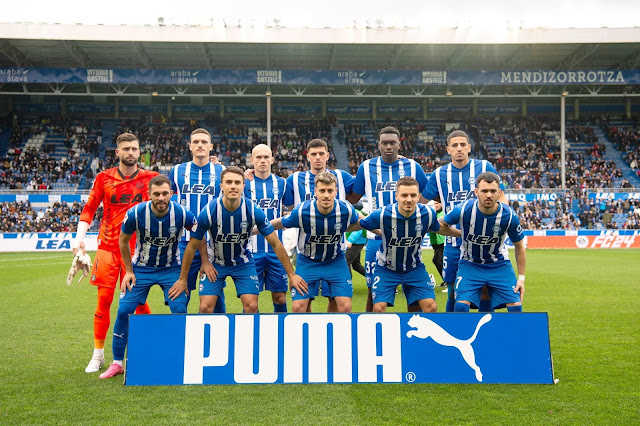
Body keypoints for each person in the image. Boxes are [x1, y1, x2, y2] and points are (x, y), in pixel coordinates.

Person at [72, 132, 157, 374]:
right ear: (117, 152)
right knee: (104, 302)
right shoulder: (103, 178)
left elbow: (175, 193)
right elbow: (89, 208)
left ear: (140, 152)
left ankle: (147, 349)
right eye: (126, 149)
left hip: (139, 251)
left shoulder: (151, 179)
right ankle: (98, 355)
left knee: (139, 303)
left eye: (134, 148)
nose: (130, 152)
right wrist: (79, 240)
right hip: (108, 248)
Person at [99, 175, 196, 379]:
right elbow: (123, 241)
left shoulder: (182, 213)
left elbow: (199, 238)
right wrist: (129, 271)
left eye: (164, 193)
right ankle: (117, 362)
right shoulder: (136, 213)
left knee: (179, 309)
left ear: (171, 194)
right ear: (149, 194)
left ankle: (180, 357)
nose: (161, 198)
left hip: (171, 269)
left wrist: (186, 275)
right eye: (156, 194)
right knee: (124, 310)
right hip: (141, 270)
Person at [176, 166, 305, 314]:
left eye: (237, 182)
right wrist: (192, 271)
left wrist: (292, 275)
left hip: (243, 263)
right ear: (221, 186)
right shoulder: (210, 210)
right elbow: (192, 245)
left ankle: (249, 336)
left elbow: (275, 243)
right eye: (229, 182)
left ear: (243, 186)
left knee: (251, 307)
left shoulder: (252, 209)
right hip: (216, 262)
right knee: (205, 307)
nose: (233, 186)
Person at [421, 129, 506, 313]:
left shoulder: (484, 167)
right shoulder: (438, 174)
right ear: (448, 149)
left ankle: (484, 329)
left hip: (484, 242)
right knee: (452, 290)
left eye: (462, 145)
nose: (459, 149)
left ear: (469, 147)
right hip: (453, 242)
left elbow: (502, 197)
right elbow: (420, 199)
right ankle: (452, 329)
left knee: (485, 290)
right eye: (454, 145)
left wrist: (502, 220)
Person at [347, 126, 429, 312]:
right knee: (373, 292)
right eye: (385, 143)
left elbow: (428, 192)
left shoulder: (412, 166)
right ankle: (370, 331)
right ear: (379, 145)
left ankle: (413, 332)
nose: (388, 146)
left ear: (399, 144)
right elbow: (352, 198)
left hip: (408, 241)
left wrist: (419, 209)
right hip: (377, 238)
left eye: (392, 142)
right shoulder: (366, 167)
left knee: (413, 292)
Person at [355, 177, 460, 313]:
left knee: (431, 307)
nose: (409, 199)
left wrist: (461, 234)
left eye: (413, 195)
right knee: (379, 308)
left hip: (414, 268)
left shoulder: (427, 213)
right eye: (404, 195)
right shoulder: (382, 214)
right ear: (397, 196)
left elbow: (438, 228)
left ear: (418, 197)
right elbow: (361, 224)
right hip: (386, 269)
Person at [281, 138, 355, 312]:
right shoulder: (294, 179)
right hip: (307, 250)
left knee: (335, 300)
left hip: (335, 250)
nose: (318, 158)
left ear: (328, 156)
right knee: (304, 301)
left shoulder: (342, 177)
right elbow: (286, 204)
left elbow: (365, 187)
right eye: (313, 154)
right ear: (308, 157)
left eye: (321, 154)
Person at [270, 172, 361, 313]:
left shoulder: (346, 209)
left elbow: (364, 222)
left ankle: (335, 334)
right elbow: (277, 223)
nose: (326, 195)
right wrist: (252, 230)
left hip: (335, 262)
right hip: (308, 262)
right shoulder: (302, 211)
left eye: (330, 191)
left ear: (335, 192)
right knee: (298, 307)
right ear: (315, 192)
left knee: (345, 307)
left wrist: (383, 231)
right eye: (322, 191)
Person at [439, 172, 526, 313]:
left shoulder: (509, 215)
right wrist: (460, 234)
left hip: (499, 264)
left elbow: (520, 246)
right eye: (484, 191)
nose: (489, 195)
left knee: (516, 306)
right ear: (476, 192)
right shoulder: (464, 210)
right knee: (461, 306)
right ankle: (460, 334)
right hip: (470, 263)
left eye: (493, 191)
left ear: (499, 192)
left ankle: (506, 335)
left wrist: (521, 278)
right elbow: (439, 225)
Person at [168, 128, 226, 312]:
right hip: (183, 243)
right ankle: (180, 336)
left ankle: (218, 336)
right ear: (190, 146)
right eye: (196, 142)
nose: (200, 145)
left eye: (204, 142)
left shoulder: (221, 170)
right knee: (179, 296)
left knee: (214, 299)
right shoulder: (177, 171)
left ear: (211, 146)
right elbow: (166, 203)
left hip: (213, 244)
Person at [244, 144, 288, 312]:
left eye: (266, 157)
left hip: (276, 250)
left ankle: (282, 332)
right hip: (250, 251)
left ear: (272, 160)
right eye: (258, 157)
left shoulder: (282, 183)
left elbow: (291, 207)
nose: (262, 161)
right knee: (251, 303)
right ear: (252, 160)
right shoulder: (244, 183)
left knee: (280, 297)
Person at [428, 200, 445, 285]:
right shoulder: (432, 214)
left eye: (437, 203)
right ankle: (446, 281)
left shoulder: (444, 213)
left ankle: (447, 281)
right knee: (437, 260)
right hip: (435, 242)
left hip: (443, 242)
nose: (436, 205)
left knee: (438, 260)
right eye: (434, 204)